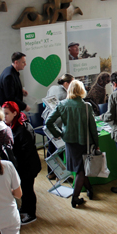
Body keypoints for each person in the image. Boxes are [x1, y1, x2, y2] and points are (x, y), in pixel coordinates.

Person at [45, 80, 98, 208]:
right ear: (81, 91)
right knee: (81, 170)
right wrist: (96, 143)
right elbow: (93, 128)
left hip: (69, 142)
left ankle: (90, 189)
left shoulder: (62, 105)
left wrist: (58, 134)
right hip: (84, 143)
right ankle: (75, 198)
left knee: (80, 169)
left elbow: (48, 122)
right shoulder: (86, 106)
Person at [3, 101, 42, 225]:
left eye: (6, 114)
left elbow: (25, 152)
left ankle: (31, 214)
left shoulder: (22, 130)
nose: (4, 117)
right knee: (25, 190)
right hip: (24, 166)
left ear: (15, 113)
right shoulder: (13, 126)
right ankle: (25, 210)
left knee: (28, 190)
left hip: (28, 167)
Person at [43, 74, 75, 179]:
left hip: (47, 121)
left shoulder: (52, 88)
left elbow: (45, 103)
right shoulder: (64, 94)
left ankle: (52, 173)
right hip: (56, 124)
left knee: (52, 149)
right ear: (66, 83)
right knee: (58, 149)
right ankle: (58, 174)